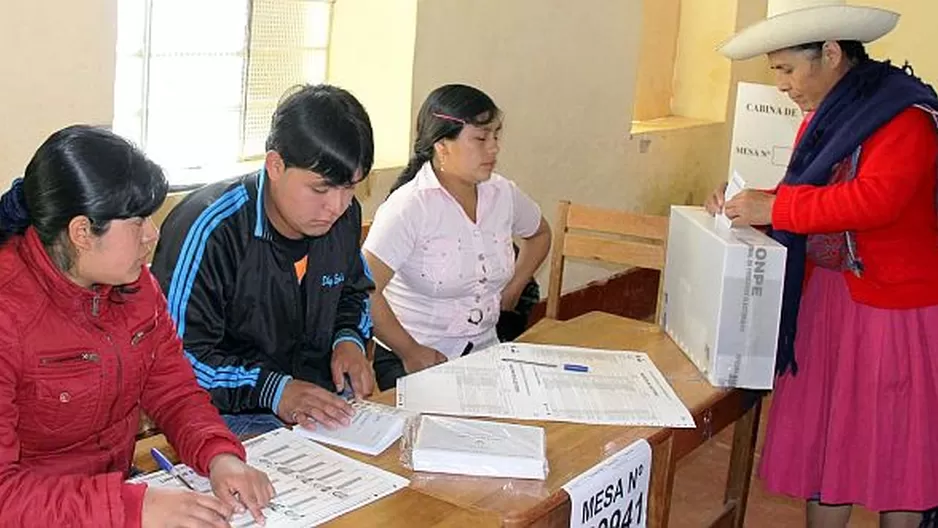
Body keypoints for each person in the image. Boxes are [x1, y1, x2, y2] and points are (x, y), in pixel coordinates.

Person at [710, 1, 938, 525]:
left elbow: (877, 201)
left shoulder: (904, 115)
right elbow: (807, 193)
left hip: (890, 306)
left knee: (893, 452)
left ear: (831, 54)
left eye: (787, 69)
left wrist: (777, 207)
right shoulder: (830, 117)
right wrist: (749, 203)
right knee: (827, 446)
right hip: (830, 301)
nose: (783, 85)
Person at [0, 125, 273, 527]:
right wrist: (132, 506)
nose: (153, 234)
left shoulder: (134, 285)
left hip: (113, 497)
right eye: (138, 222)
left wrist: (219, 455)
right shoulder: (9, 313)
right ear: (81, 233)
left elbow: (174, 390)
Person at [151, 84, 376, 438]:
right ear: (275, 165)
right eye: (320, 189)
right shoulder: (212, 229)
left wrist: (348, 339)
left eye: (350, 187)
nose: (337, 206)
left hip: (318, 407)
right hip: (226, 415)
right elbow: (176, 359)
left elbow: (354, 293)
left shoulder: (342, 219)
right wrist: (274, 390)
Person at [362, 84, 551, 391]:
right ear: (442, 145)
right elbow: (364, 289)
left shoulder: (502, 194)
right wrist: (410, 352)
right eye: (480, 138)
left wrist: (515, 286)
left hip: (485, 351)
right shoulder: (410, 206)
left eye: (496, 135)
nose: (494, 148)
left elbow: (540, 233)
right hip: (417, 359)